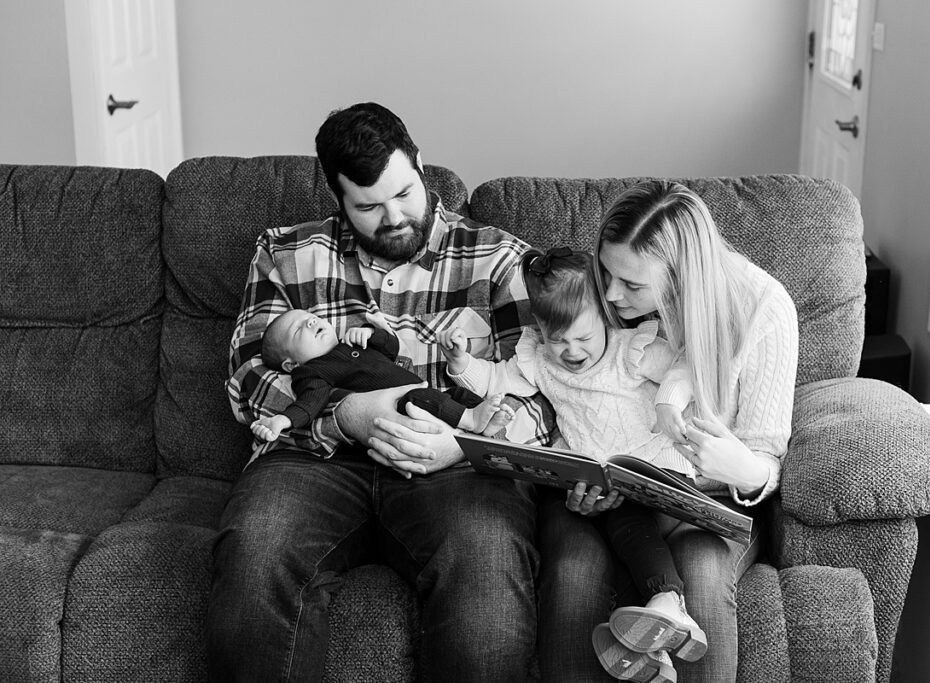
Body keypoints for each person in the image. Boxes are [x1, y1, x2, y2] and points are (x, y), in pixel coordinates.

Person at [209, 102, 555, 682]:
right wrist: (344, 416)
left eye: (404, 193)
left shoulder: (498, 260)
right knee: (255, 550)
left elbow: (549, 395)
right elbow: (248, 378)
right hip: (313, 459)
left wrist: (464, 444)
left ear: (419, 164)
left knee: (485, 564)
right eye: (368, 206)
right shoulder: (285, 252)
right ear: (338, 198)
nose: (393, 217)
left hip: (454, 466)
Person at [536, 181, 800, 682]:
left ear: (682, 276)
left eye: (632, 285)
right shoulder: (604, 300)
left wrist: (740, 466)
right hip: (620, 495)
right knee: (574, 573)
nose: (611, 295)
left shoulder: (763, 309)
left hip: (706, 501)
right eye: (607, 274)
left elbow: (767, 459)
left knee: (700, 575)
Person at [438, 247, 708, 682]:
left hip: (656, 468)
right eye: (557, 339)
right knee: (599, 533)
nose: (571, 351)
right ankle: (653, 653)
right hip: (602, 482)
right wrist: (461, 364)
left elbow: (690, 366)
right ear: (540, 331)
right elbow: (495, 379)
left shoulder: (631, 350)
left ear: (605, 316)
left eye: (583, 338)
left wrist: (674, 405)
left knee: (627, 522)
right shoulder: (539, 360)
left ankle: (670, 603)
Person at [249, 309, 514, 442]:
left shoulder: (352, 341)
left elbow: (392, 350)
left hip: (423, 392)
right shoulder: (311, 372)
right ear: (290, 364)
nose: (311, 322)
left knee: (455, 394)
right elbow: (310, 402)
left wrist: (372, 334)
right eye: (299, 331)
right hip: (402, 407)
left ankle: (482, 421)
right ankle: (470, 419)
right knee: (422, 397)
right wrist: (282, 421)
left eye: (312, 317)